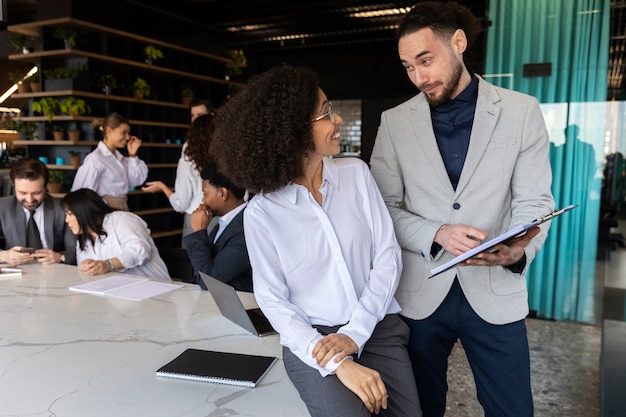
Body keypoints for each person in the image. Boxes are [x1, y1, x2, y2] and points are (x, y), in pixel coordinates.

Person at [369, 3, 555, 417]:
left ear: (458, 42)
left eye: (425, 60)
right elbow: (381, 209)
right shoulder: (394, 122)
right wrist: (436, 232)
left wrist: (518, 251)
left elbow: (535, 201)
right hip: (419, 296)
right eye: (407, 67)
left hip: (496, 290)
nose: (418, 77)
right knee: (417, 410)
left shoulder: (520, 111)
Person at [210, 64, 421, 417]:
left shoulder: (357, 174)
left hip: (376, 326)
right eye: (326, 114)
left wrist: (356, 333)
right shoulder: (263, 212)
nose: (336, 120)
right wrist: (340, 361)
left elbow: (387, 257)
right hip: (314, 340)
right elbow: (273, 300)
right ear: (292, 133)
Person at [60, 188, 170, 280]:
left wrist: (108, 265)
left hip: (153, 288)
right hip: (117, 295)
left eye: (70, 214)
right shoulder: (84, 237)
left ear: (84, 213)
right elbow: (83, 261)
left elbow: (140, 251)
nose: (66, 220)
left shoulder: (121, 219)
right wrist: (86, 264)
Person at [142, 114, 215, 243]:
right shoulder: (224, 160)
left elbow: (180, 204)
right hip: (223, 219)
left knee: (194, 260)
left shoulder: (188, 162)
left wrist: (162, 187)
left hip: (197, 221)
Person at [183, 161, 252, 292]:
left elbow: (208, 280)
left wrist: (199, 231)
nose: (203, 200)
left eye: (205, 193)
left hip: (242, 307)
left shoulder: (245, 228)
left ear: (222, 193)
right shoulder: (224, 224)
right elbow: (202, 267)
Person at [0, 158, 76, 266]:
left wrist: (60, 256)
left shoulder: (62, 209)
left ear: (46, 188)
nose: (29, 199)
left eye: (36, 193)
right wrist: (4, 255)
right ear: (14, 186)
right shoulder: (3, 208)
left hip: (54, 271)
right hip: (16, 272)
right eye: (23, 193)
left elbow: (75, 249)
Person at [72, 113, 148, 211]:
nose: (128, 137)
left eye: (128, 133)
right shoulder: (95, 159)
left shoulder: (120, 159)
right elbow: (81, 194)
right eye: (123, 133)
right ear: (109, 131)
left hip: (122, 208)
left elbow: (135, 181)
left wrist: (133, 155)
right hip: (105, 211)